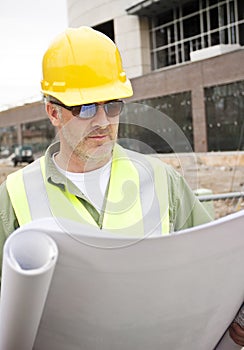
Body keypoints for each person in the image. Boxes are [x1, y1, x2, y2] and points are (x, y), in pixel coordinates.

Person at [0, 26, 243, 346]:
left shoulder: (163, 180)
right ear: (53, 112)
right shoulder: (14, 196)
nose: (101, 120)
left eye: (111, 105)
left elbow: (221, 268)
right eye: (84, 108)